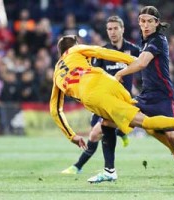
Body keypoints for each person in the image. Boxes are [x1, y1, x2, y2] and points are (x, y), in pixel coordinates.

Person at [49, 34, 174, 174]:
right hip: (110, 81)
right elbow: (102, 52)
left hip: (94, 96)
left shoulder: (57, 74)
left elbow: (55, 110)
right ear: (75, 44)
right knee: (111, 124)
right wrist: (132, 60)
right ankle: (116, 157)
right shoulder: (77, 50)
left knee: (144, 122)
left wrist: (71, 136)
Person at [103, 5, 174, 183]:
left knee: (172, 137)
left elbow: (142, 63)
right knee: (107, 122)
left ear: (156, 23)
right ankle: (109, 170)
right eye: (142, 21)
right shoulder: (144, 41)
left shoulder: (158, 40)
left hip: (163, 95)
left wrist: (120, 73)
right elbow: (138, 61)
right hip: (146, 96)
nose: (145, 25)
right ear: (138, 22)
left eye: (149, 22)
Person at [61, 16, 140, 176]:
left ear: (122, 29)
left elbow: (143, 68)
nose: (112, 32)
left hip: (119, 99)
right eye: (109, 29)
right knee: (96, 132)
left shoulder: (133, 50)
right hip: (101, 97)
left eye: (115, 28)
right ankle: (121, 133)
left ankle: (79, 166)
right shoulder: (103, 52)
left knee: (95, 133)